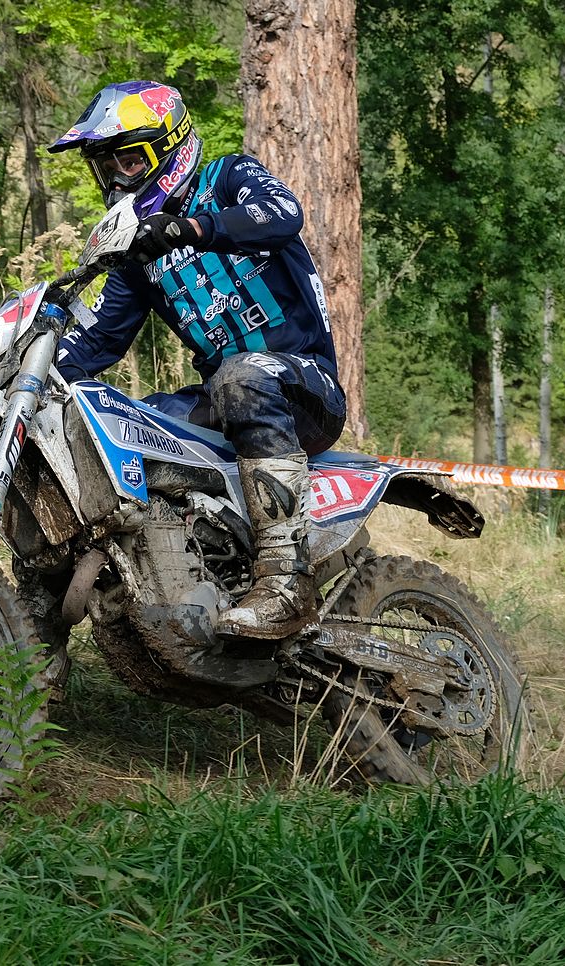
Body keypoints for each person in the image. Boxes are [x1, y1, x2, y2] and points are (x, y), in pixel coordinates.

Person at [44, 80, 348, 649]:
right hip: (224, 402)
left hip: (305, 388)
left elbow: (283, 214)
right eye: (106, 167)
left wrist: (190, 228)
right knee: (120, 425)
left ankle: (286, 580)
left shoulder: (229, 177)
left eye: (129, 160)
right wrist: (24, 375)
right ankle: (162, 582)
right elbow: (99, 341)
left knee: (242, 376)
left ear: (169, 146)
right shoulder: (140, 255)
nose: (117, 179)